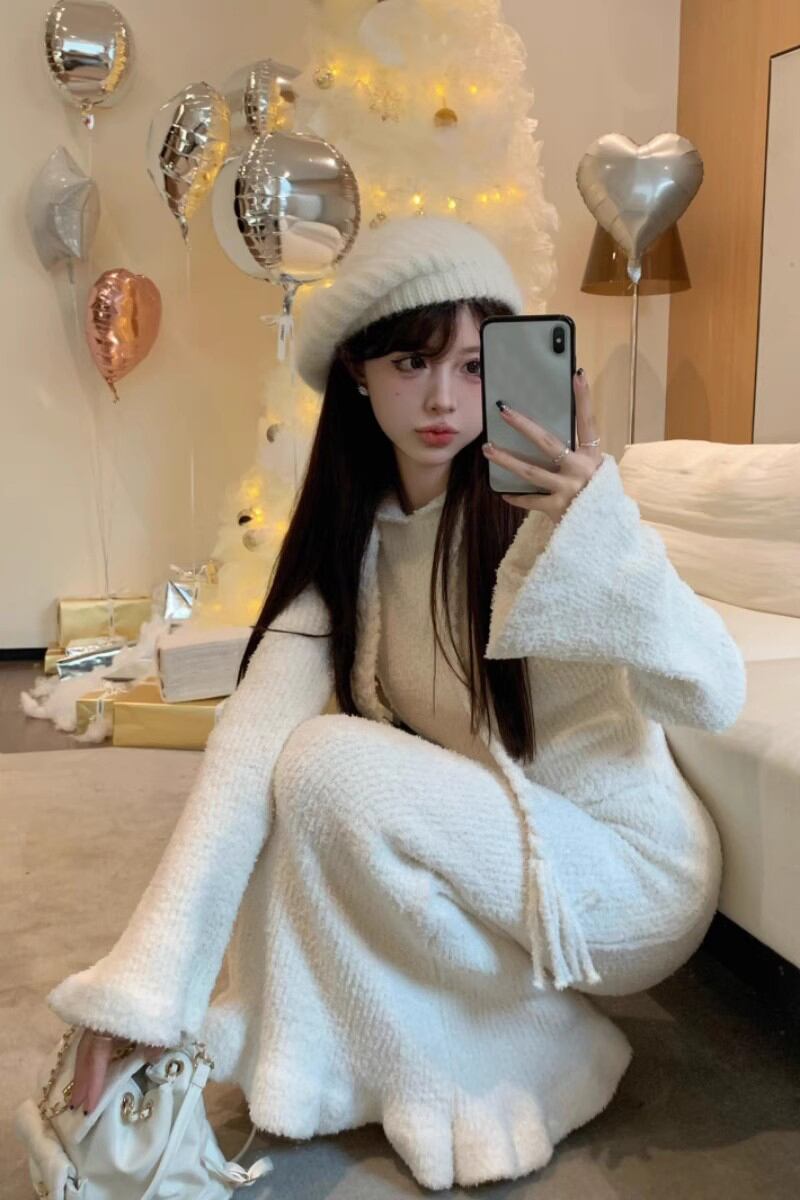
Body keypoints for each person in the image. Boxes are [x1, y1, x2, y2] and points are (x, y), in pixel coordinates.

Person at [49, 215, 746, 1191]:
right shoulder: (351, 550)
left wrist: (601, 531)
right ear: (357, 372)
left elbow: (713, 689)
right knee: (293, 784)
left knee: (325, 760)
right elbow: (242, 765)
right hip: (509, 861)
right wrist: (139, 999)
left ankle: (535, 1055)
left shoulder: (557, 518)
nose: (444, 398)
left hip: (629, 876)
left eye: (474, 365)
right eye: (413, 362)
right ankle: (418, 1057)